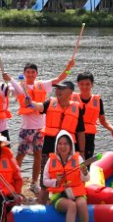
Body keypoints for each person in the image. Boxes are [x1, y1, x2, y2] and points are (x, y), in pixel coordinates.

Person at [5, 59, 74, 195]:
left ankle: (34, 182)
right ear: (24, 74)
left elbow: (60, 79)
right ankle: (14, 180)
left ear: (36, 74)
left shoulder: (43, 85)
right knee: (20, 155)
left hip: (41, 128)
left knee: (38, 155)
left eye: (32, 72)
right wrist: (7, 79)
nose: (30, 74)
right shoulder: (18, 87)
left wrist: (68, 67)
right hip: (26, 128)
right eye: (28, 72)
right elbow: (6, 90)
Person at [30, 80, 86, 203]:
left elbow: (81, 132)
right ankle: (41, 208)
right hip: (49, 148)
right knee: (44, 184)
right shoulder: (50, 102)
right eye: (57, 88)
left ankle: (66, 203)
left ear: (70, 92)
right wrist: (30, 103)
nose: (58, 91)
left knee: (69, 180)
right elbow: (38, 106)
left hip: (68, 151)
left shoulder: (77, 109)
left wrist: (81, 151)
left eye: (62, 89)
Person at [42, 130, 89, 222]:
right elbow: (44, 181)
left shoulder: (78, 159)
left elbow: (86, 178)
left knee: (81, 204)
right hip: (59, 195)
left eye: (65, 144)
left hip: (76, 193)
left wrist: (84, 172)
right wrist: (56, 182)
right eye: (60, 144)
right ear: (56, 145)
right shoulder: (51, 160)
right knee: (72, 206)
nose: (62, 147)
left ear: (70, 146)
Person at [72, 71, 113, 158]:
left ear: (92, 84)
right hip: (74, 135)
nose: (84, 87)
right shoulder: (71, 98)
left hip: (89, 137)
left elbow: (103, 120)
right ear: (78, 84)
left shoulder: (98, 101)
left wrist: (112, 128)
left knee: (86, 162)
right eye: (82, 84)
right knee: (73, 162)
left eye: (87, 84)